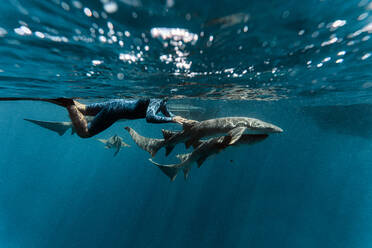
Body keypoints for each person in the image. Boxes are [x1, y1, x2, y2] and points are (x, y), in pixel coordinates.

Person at [0, 97, 189, 138]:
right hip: (115, 112)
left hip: (113, 103)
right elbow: (150, 117)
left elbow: (166, 113)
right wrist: (171, 120)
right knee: (85, 132)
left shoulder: (162, 101)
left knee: (81, 108)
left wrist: (177, 119)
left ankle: (63, 101)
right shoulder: (157, 100)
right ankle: (68, 104)